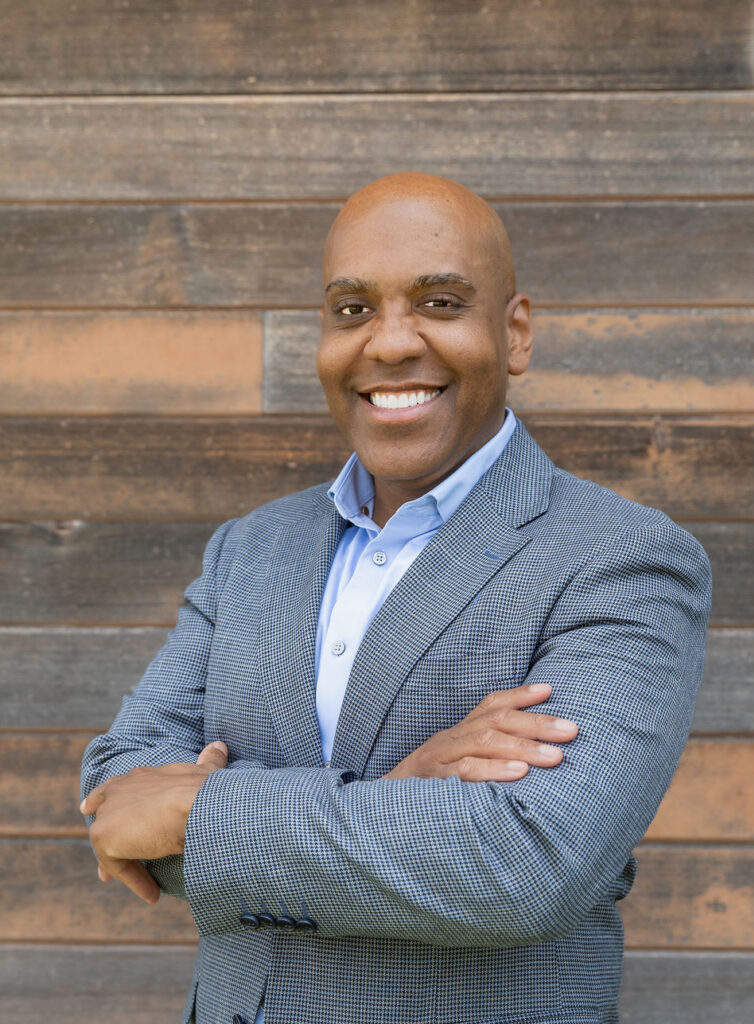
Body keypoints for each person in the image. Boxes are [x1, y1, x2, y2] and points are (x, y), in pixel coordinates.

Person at [80, 172, 712, 1024]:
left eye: (440, 302)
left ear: (515, 332)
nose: (387, 344)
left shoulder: (621, 558)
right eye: (351, 310)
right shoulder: (250, 548)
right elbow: (118, 792)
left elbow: (524, 866)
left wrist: (197, 809)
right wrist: (408, 788)